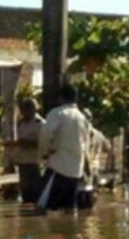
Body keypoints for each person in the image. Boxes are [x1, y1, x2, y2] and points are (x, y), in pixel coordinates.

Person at [37, 84, 93, 212]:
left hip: (58, 167)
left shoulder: (57, 113)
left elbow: (45, 135)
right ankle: (72, 231)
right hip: (75, 170)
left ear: (60, 98)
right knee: (70, 208)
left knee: (41, 207)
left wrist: (44, 153)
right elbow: (86, 145)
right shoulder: (83, 118)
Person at [4, 98, 45, 203]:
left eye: (26, 109)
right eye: (22, 110)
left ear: (33, 109)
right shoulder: (21, 123)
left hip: (33, 162)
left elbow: (41, 144)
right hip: (22, 162)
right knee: (25, 193)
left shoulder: (40, 124)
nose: (23, 112)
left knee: (35, 192)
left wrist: (24, 143)